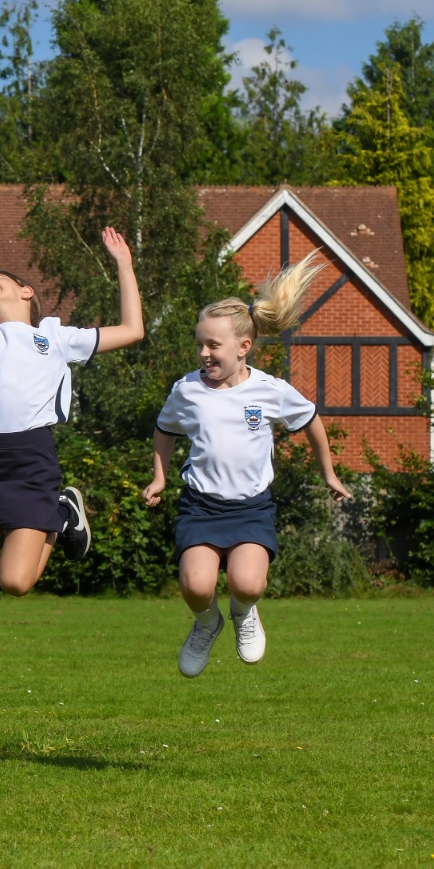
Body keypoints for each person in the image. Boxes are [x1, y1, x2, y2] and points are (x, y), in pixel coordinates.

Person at [0, 161, 145, 596]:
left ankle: (62, 512)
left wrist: (124, 265)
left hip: (33, 458)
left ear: (26, 291)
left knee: (15, 582)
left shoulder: (54, 335)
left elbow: (132, 330)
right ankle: (60, 512)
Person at [144, 256, 351, 677]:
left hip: (251, 508)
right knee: (196, 586)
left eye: (213, 346)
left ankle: (244, 612)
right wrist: (159, 477)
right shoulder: (186, 390)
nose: (203, 354)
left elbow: (311, 421)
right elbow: (164, 429)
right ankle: (207, 624)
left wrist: (328, 473)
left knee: (249, 584)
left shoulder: (270, 390)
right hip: (201, 507)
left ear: (243, 347)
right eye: (199, 344)